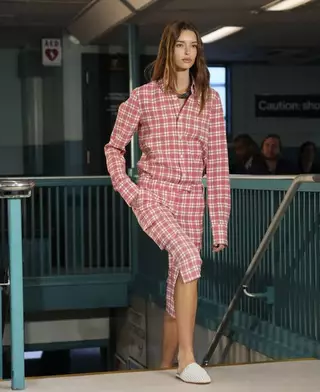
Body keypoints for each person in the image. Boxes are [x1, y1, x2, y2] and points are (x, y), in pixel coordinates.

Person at [104, 20, 230, 384]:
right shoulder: (142, 97)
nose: (188, 52)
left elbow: (219, 164)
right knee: (191, 259)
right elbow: (113, 148)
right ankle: (189, 359)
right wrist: (131, 191)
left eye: (193, 46)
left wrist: (218, 222)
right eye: (180, 45)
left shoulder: (210, 99)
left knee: (181, 280)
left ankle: (164, 367)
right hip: (154, 195)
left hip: (192, 197)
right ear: (168, 49)